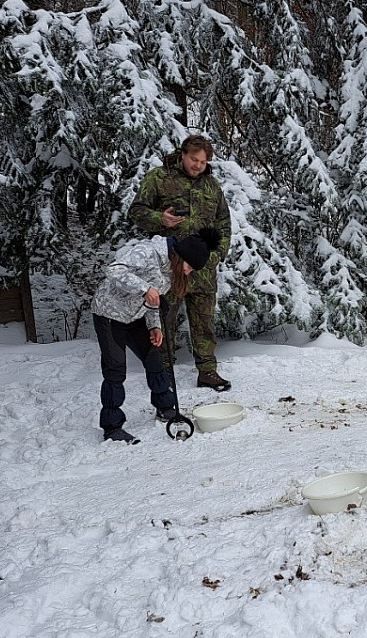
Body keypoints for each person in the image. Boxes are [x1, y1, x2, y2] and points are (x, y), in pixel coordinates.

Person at [91, 230, 220, 444]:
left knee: (155, 360)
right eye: (188, 268)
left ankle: (165, 408)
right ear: (182, 258)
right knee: (115, 369)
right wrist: (145, 288)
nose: (187, 273)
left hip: (136, 316)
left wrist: (154, 327)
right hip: (108, 313)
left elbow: (154, 300)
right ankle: (112, 427)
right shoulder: (148, 252)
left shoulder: (171, 271)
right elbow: (114, 270)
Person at [128, 134, 233, 392]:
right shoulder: (160, 178)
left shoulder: (211, 186)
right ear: (183, 154)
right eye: (194, 159)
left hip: (203, 270)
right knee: (164, 321)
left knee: (204, 322)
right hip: (168, 268)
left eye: (203, 161)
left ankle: (207, 372)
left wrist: (216, 255)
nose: (198, 165)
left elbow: (224, 224)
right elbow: (137, 212)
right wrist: (159, 219)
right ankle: (163, 374)